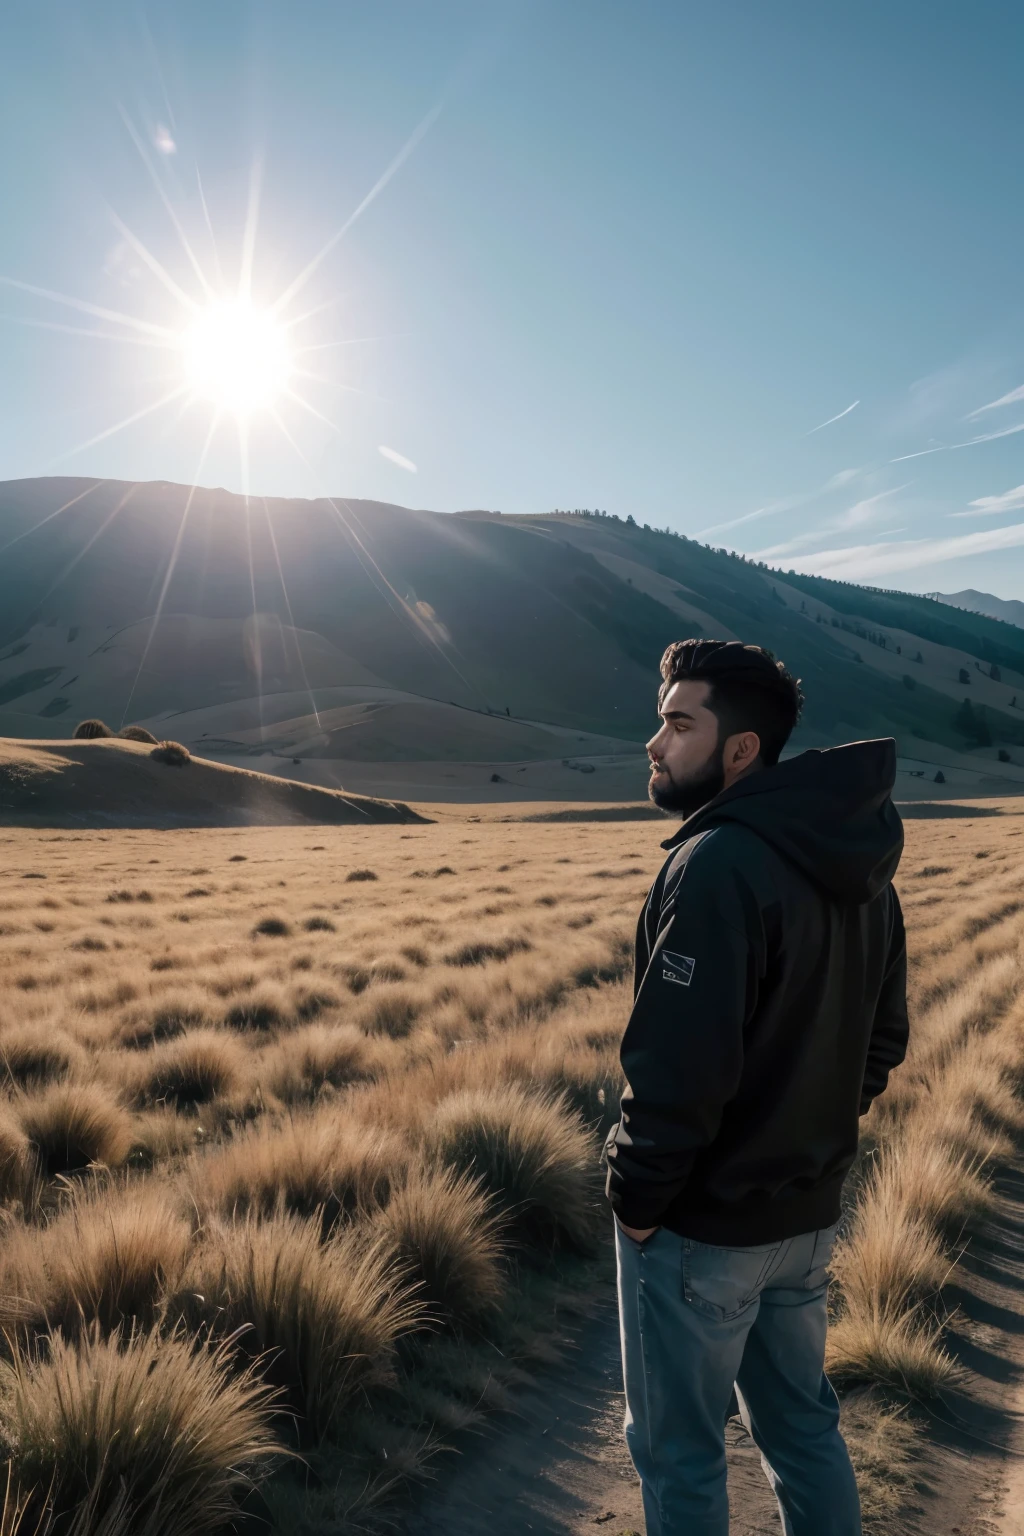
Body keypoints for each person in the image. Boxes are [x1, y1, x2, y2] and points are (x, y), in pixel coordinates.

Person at [605, 638, 908, 1536]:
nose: (654, 744)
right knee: (803, 1432)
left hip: (702, 1228)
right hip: (807, 1216)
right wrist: (802, 1134)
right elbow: (881, 1043)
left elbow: (677, 1071)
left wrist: (637, 1202)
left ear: (740, 749)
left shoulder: (717, 864)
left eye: (677, 722)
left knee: (681, 1455)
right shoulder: (853, 864)